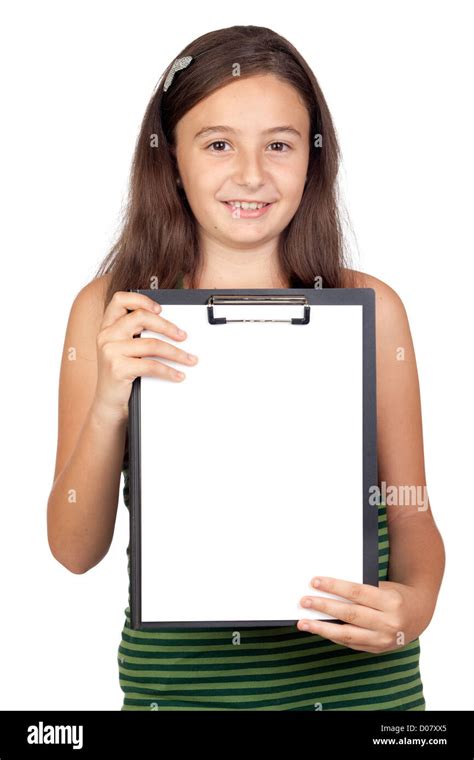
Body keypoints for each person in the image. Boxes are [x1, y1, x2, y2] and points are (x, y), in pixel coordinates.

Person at [47, 25, 445, 711]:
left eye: (280, 145)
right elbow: (74, 549)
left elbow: (411, 518)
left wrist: (410, 608)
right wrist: (112, 399)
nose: (252, 175)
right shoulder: (110, 309)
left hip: (360, 699)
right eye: (220, 143)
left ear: (313, 161)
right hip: (180, 698)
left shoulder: (371, 310)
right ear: (172, 157)